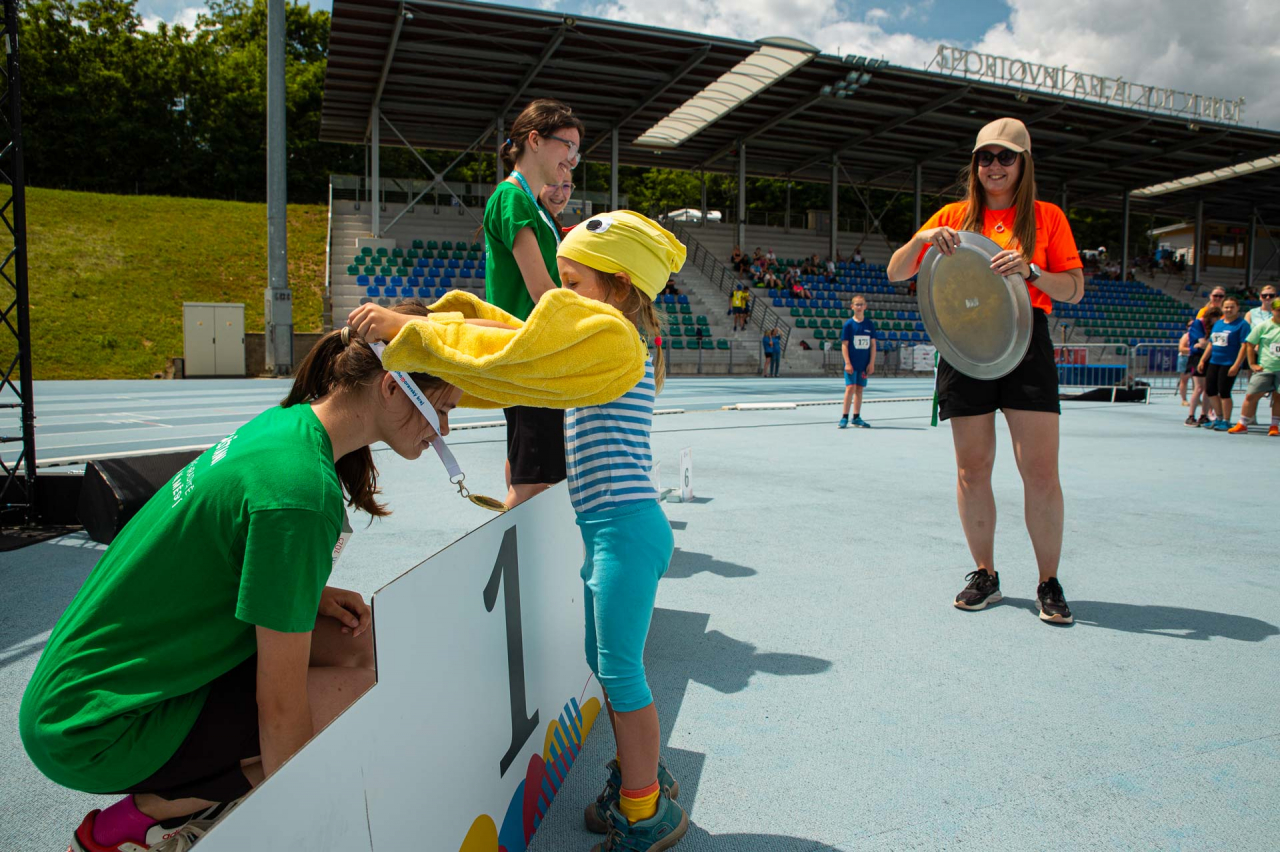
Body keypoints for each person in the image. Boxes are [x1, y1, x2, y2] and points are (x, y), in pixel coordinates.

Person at [19, 303, 461, 852]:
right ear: (393, 388)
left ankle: (195, 795)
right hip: (92, 729)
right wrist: (307, 830)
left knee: (359, 645)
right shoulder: (299, 494)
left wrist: (305, 592)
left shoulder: (288, 426)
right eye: (442, 409)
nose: (444, 430)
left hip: (90, 689)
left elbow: (210, 557)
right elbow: (279, 709)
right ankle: (143, 819)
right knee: (363, 694)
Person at [886, 116, 1084, 625]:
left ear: (1023, 163)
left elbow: (1074, 289)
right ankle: (985, 574)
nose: (994, 166)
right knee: (972, 470)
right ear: (974, 164)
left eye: (1005, 157)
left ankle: (1048, 581)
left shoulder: (1047, 217)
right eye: (985, 157)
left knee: (1039, 471)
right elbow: (897, 271)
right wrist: (925, 238)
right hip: (963, 341)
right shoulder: (953, 215)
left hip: (1026, 340)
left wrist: (1032, 270)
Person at [556, 212, 689, 849]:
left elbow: (518, 349)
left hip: (625, 530)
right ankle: (642, 777)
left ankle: (644, 811)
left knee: (620, 672)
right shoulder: (605, 338)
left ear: (619, 284)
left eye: (572, 284)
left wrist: (415, 332)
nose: (562, 297)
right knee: (604, 664)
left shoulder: (612, 341)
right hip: (609, 529)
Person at [483, 98, 583, 507]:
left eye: (576, 152)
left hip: (535, 357)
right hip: (531, 358)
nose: (572, 159)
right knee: (532, 484)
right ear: (535, 140)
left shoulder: (532, 203)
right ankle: (512, 548)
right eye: (567, 146)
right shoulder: (513, 199)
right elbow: (543, 291)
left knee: (528, 472)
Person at [1229, 296, 1280, 436]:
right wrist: (1252, 363)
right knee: (1251, 395)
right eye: (1278, 310)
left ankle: (1274, 426)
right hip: (1265, 368)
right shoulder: (1263, 326)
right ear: (1272, 310)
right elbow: (1250, 344)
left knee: (1278, 398)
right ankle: (1242, 424)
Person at [1201, 297, 1250, 431]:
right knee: (1210, 390)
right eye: (1226, 307)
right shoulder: (1218, 324)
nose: (1229, 309)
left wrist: (1236, 365)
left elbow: (1244, 346)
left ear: (1237, 308)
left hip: (1229, 363)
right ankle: (1219, 417)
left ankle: (1226, 420)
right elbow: (1211, 344)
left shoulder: (1242, 325)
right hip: (1214, 361)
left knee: (1224, 391)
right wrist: (1203, 360)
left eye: (1232, 307)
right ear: (1222, 308)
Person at [838, 295, 876, 428]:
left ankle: (856, 417)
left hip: (864, 364)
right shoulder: (848, 325)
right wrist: (847, 363)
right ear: (852, 307)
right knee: (850, 388)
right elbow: (844, 345)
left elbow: (873, 345)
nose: (859, 307)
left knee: (859, 389)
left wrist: (871, 363)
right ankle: (844, 417)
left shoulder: (869, 324)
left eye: (861, 304)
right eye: (857, 304)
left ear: (865, 306)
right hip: (852, 364)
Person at [1185, 307, 1221, 427]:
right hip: (1197, 358)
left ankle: (1203, 415)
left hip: (1210, 357)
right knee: (1199, 388)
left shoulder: (1217, 325)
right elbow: (1203, 342)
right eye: (1213, 317)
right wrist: (1206, 344)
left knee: (1207, 388)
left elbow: (1207, 344)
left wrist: (1206, 345)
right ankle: (1190, 416)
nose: (1215, 320)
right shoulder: (1198, 324)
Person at [1177, 318, 1193, 406]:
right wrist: (1193, 349)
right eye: (1190, 325)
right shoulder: (1186, 336)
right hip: (1185, 359)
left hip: (1194, 359)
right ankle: (1184, 399)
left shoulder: (1198, 335)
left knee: (1196, 380)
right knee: (1184, 380)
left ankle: (1196, 399)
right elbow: (1181, 349)